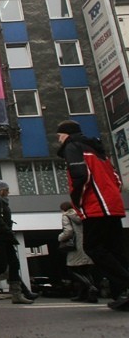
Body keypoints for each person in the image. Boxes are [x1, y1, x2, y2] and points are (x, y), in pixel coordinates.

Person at [57, 120, 129, 310]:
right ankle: (121, 293)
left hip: (96, 206)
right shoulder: (99, 151)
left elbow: (80, 175)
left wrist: (78, 201)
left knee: (93, 247)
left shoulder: (72, 147)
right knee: (115, 250)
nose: (58, 140)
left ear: (66, 134)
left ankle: (125, 283)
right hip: (113, 204)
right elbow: (116, 179)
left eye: (59, 135)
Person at [0, 179, 32, 304]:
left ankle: (17, 294)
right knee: (2, 266)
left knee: (13, 264)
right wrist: (7, 230)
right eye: (7, 190)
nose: (8, 192)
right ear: (1, 190)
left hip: (3, 237)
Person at [58, 201, 98, 303]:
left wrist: (60, 237)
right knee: (85, 270)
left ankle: (90, 288)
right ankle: (86, 295)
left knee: (72, 269)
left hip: (75, 247)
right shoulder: (81, 214)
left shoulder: (66, 216)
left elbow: (68, 232)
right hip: (86, 244)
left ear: (63, 209)